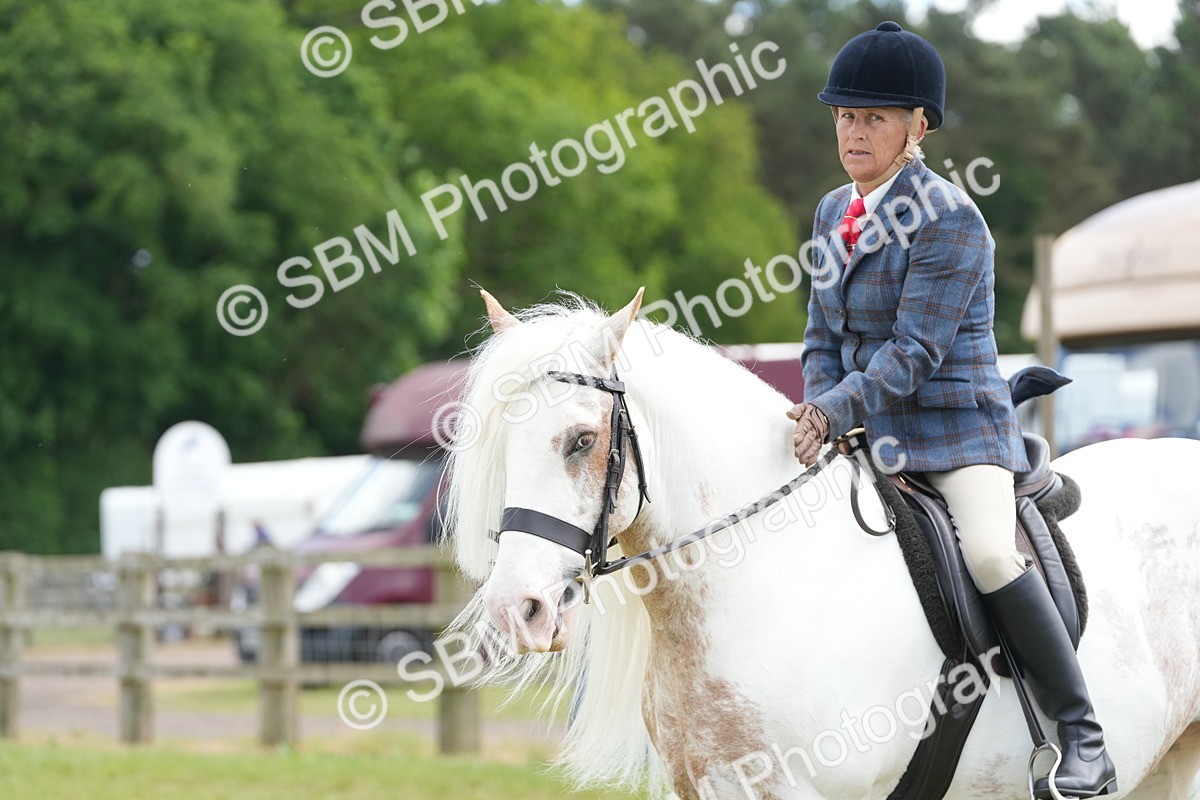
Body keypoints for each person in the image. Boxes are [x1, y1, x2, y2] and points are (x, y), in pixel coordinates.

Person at [786, 21, 1117, 799]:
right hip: (867, 430)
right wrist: (816, 410)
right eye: (844, 116)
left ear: (917, 127)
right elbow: (819, 336)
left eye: (872, 118)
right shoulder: (836, 209)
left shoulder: (951, 218)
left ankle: (1081, 734)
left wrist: (833, 412)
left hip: (955, 430)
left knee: (994, 557)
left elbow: (913, 354)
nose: (853, 132)